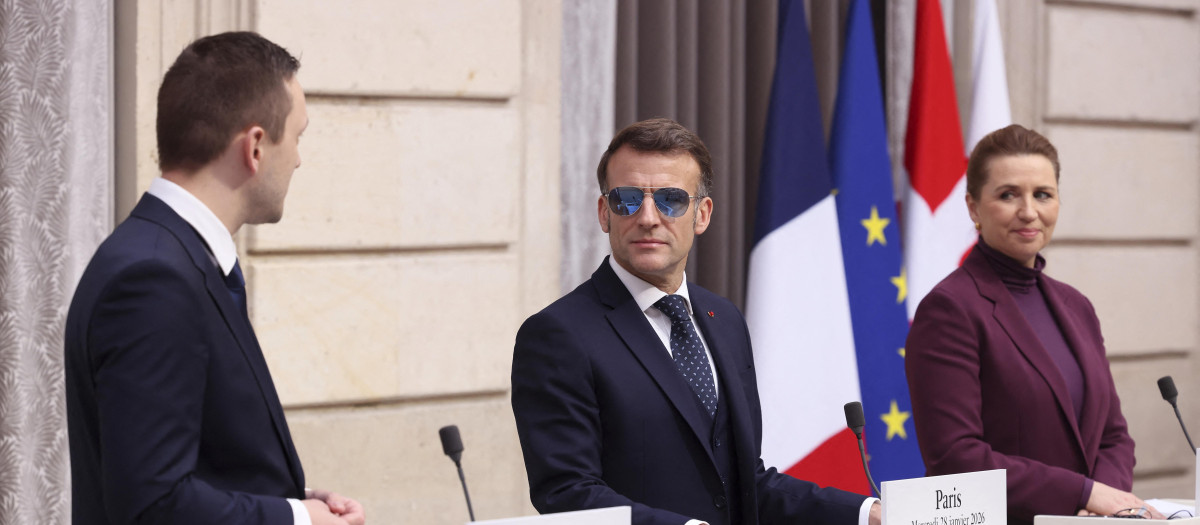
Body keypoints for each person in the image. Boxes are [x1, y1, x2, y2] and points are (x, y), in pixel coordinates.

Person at [511, 118, 879, 525]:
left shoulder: (724, 319)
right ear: (604, 213)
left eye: (670, 200)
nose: (647, 217)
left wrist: (866, 513)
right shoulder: (558, 335)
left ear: (701, 215)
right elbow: (566, 493)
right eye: (627, 199)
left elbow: (746, 483)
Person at [64, 32, 365, 525]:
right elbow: (152, 505)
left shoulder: (171, 258)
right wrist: (299, 521)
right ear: (255, 146)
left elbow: (195, 464)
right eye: (297, 137)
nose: (298, 159)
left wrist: (296, 501)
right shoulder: (154, 279)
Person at [905, 124, 1159, 524]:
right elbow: (955, 457)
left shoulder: (1077, 306)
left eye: (1043, 194)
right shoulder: (949, 309)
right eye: (1008, 195)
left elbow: (1113, 436)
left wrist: (1102, 507)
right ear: (973, 207)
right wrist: (1084, 494)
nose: (1029, 211)